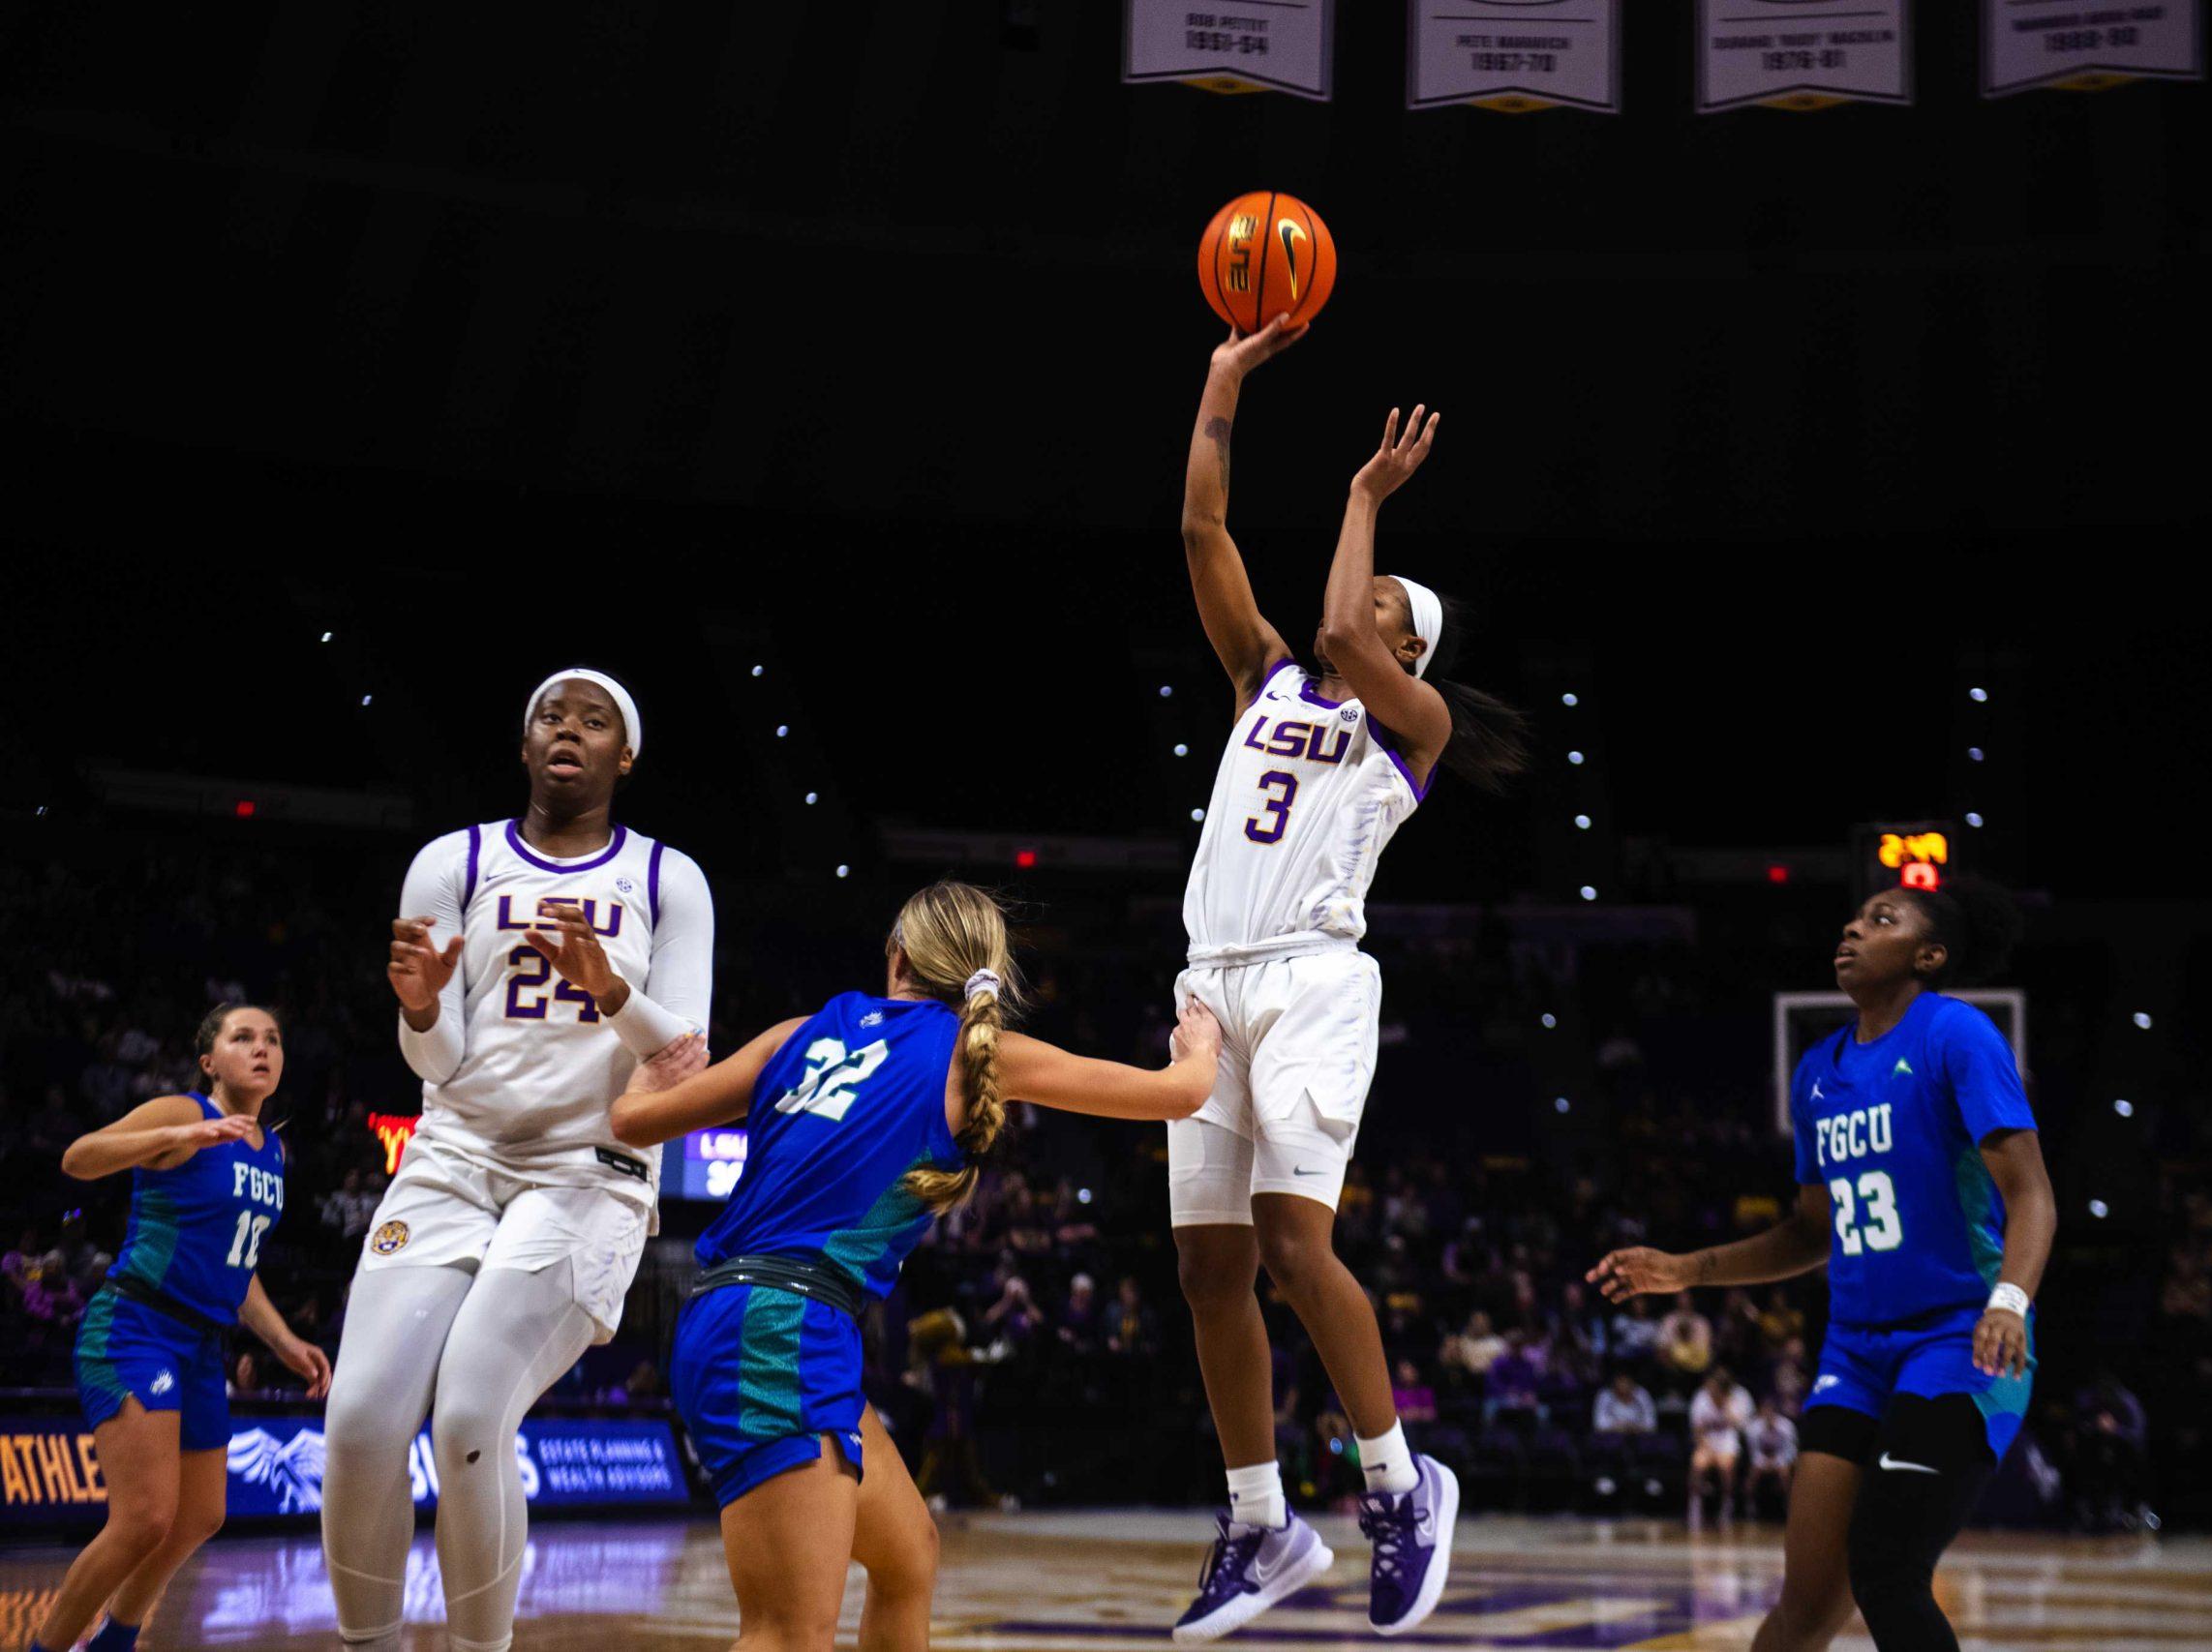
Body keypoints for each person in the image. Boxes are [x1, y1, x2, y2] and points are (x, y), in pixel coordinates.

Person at [604, 880, 1226, 1652]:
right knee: (788, 1633)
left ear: (896, 953)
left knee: (907, 1557)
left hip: (752, 1318)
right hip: (781, 1329)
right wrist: (1201, 1038)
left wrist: (652, 1065)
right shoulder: (974, 1054)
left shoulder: (802, 1030)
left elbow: (630, 1122)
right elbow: (1182, 1092)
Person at [1166, 318, 1525, 1642]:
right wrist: (1221, 382)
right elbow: (1205, 536)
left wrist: (1366, 498)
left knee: (1295, 1245)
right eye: (1367, 591)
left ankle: (1397, 1482)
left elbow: (1333, 615)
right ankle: (1261, 1518)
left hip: (1314, 980)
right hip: (1211, 981)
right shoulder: (1264, 682)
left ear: (1408, 656)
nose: (1356, 612)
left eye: (1383, 613)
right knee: (1210, 1270)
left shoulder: (1408, 728)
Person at [321, 668, 714, 1652]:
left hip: (590, 1172)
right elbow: (439, 1060)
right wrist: (419, 1009)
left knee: (466, 1419)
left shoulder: (669, 880)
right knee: (363, 1421)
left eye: (594, 720)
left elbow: (685, 1058)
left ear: (625, 757)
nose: (568, 729)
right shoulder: (451, 862)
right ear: (526, 744)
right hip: (454, 1155)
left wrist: (611, 989)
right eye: (551, 715)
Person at [1591, 877, 2055, 1652]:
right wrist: (1687, 1270)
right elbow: (1813, 1229)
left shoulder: (1958, 1034)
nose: (1852, 928)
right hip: (1855, 1349)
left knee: (1887, 1568)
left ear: (1927, 954)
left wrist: (2009, 1298)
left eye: (1882, 919)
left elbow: (2032, 1192)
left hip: (1959, 1338)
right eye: (1854, 916)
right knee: (1804, 1605)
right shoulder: (1817, 1072)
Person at [33, 1006, 330, 1652]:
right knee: (144, 1516)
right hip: (136, 1325)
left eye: (273, 1039)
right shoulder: (185, 1112)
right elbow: (79, 1158)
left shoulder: (273, 1149)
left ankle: (114, 1640)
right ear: (209, 1060)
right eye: (243, 1037)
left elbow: (239, 1267)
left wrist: (284, 1340)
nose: (262, 1048)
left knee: (201, 1514)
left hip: (200, 1343)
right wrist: (176, 1139)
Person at [1687, 1367, 1755, 1529]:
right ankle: (1695, 1509)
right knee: (1697, 1465)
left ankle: (1726, 1508)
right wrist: (1706, 1447)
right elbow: (1697, 1429)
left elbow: (1742, 1425)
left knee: (1726, 1467)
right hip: (1707, 1442)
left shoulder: (1737, 1398)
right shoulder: (1701, 1397)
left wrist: (1727, 1405)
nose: (1711, 1390)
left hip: (1727, 1442)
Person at [1745, 1396, 1802, 1518]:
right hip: (1761, 1460)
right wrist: (1764, 1462)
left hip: (1781, 1459)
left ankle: (1787, 1504)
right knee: (1753, 1473)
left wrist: (1777, 1461)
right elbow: (1753, 1451)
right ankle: (1751, 1504)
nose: (1768, 1414)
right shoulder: (1753, 1428)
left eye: (1771, 1411)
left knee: (1784, 1473)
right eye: (1765, 1410)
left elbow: (1790, 1450)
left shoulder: (1787, 1426)